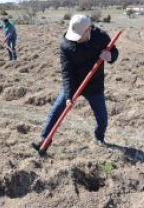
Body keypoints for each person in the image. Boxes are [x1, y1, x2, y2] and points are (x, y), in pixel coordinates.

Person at [32, 14, 119, 154]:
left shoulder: (101, 37)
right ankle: (44, 139)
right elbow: (66, 71)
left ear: (88, 29)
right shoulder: (66, 43)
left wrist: (110, 56)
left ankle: (98, 138)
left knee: (102, 118)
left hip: (94, 84)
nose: (75, 39)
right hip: (74, 83)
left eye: (79, 35)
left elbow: (114, 51)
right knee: (56, 110)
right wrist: (68, 96)